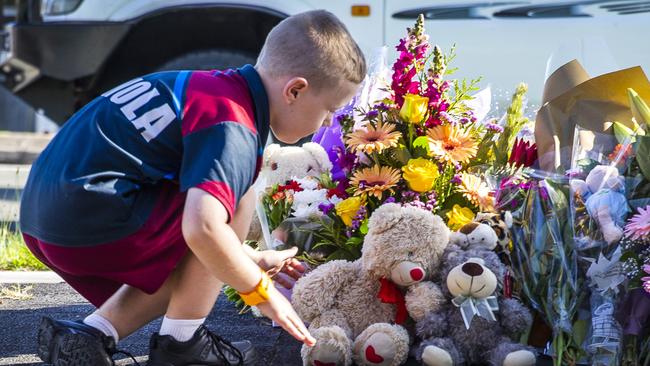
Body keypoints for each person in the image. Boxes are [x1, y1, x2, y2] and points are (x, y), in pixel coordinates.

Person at [19, 9, 366, 366]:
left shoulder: (207, 88)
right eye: (329, 110)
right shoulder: (234, 124)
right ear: (295, 90)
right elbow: (201, 228)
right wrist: (261, 293)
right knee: (231, 199)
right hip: (86, 221)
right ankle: (183, 346)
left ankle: (89, 335)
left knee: (216, 242)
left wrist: (249, 260)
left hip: (43, 218)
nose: (327, 122)